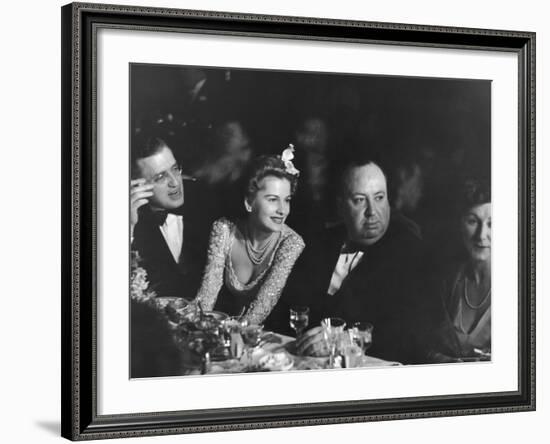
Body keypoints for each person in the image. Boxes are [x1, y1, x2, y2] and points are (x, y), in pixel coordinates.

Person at [291, 156, 427, 364]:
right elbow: (295, 308)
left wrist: (344, 340)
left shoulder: (409, 249)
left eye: (379, 198)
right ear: (340, 206)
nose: (372, 212)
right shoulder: (321, 242)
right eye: (359, 200)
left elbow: (408, 332)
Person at [193, 147, 305, 328]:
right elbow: (206, 296)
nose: (282, 210)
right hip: (228, 332)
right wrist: (196, 328)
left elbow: (263, 306)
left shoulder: (291, 243)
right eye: (272, 199)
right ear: (249, 202)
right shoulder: (223, 230)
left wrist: (235, 332)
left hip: (270, 336)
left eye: (287, 199)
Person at [130, 135, 211, 299]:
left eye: (175, 168)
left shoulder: (205, 199)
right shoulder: (129, 221)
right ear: (137, 185)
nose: (175, 182)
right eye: (160, 177)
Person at [425, 179, 491, 362]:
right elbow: (425, 348)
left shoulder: (523, 288)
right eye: (472, 221)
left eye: (492, 224)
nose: (481, 235)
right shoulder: (448, 280)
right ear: (460, 225)